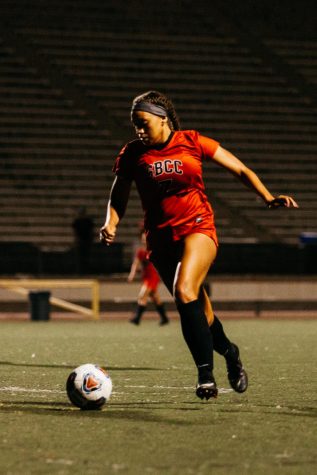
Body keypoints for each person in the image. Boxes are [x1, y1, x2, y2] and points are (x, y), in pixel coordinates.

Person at [100, 90, 298, 400]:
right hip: (160, 239)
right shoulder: (132, 153)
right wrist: (111, 222)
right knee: (200, 313)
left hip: (198, 227)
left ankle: (205, 375)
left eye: (143, 123)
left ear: (163, 119)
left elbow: (240, 169)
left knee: (184, 291)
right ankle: (231, 353)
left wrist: (267, 196)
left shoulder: (192, 141)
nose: (138, 130)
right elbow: (119, 194)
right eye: (134, 124)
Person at [128, 230, 169, 326]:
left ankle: (137, 318)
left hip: (153, 277)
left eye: (145, 238)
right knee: (155, 298)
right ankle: (164, 318)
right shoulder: (141, 252)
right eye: (143, 238)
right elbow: (135, 263)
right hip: (146, 277)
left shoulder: (153, 249)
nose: (144, 240)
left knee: (142, 295)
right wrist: (132, 274)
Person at [72, 206, 94, 274]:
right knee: (80, 258)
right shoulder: (77, 221)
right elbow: (75, 232)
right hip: (81, 241)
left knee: (86, 257)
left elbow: (91, 231)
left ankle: (86, 270)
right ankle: (80, 271)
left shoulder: (88, 221)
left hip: (86, 241)